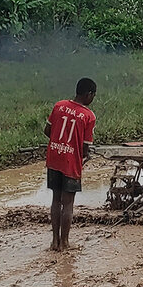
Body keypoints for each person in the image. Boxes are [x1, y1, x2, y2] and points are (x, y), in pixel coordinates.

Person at [44, 77, 97, 251]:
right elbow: (84, 149)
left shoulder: (59, 105)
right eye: (93, 95)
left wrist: (59, 142)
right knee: (67, 204)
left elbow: (47, 130)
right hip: (70, 163)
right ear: (89, 94)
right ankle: (65, 243)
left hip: (54, 158)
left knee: (55, 199)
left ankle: (54, 242)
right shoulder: (89, 116)